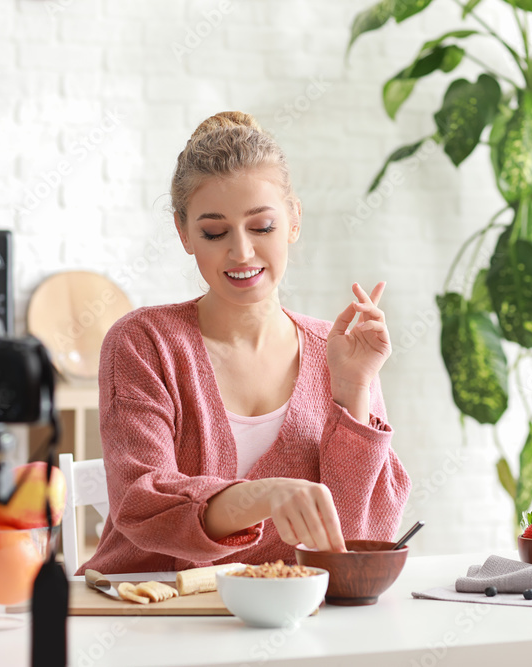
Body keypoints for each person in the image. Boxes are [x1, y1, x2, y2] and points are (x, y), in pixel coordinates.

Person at [77, 111, 411, 575]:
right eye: (214, 232)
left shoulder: (340, 352)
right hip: (149, 617)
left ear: (294, 220)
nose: (241, 252)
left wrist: (353, 391)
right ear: (183, 233)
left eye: (262, 227)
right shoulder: (143, 343)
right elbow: (141, 501)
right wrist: (262, 496)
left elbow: (358, 537)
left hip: (285, 620)